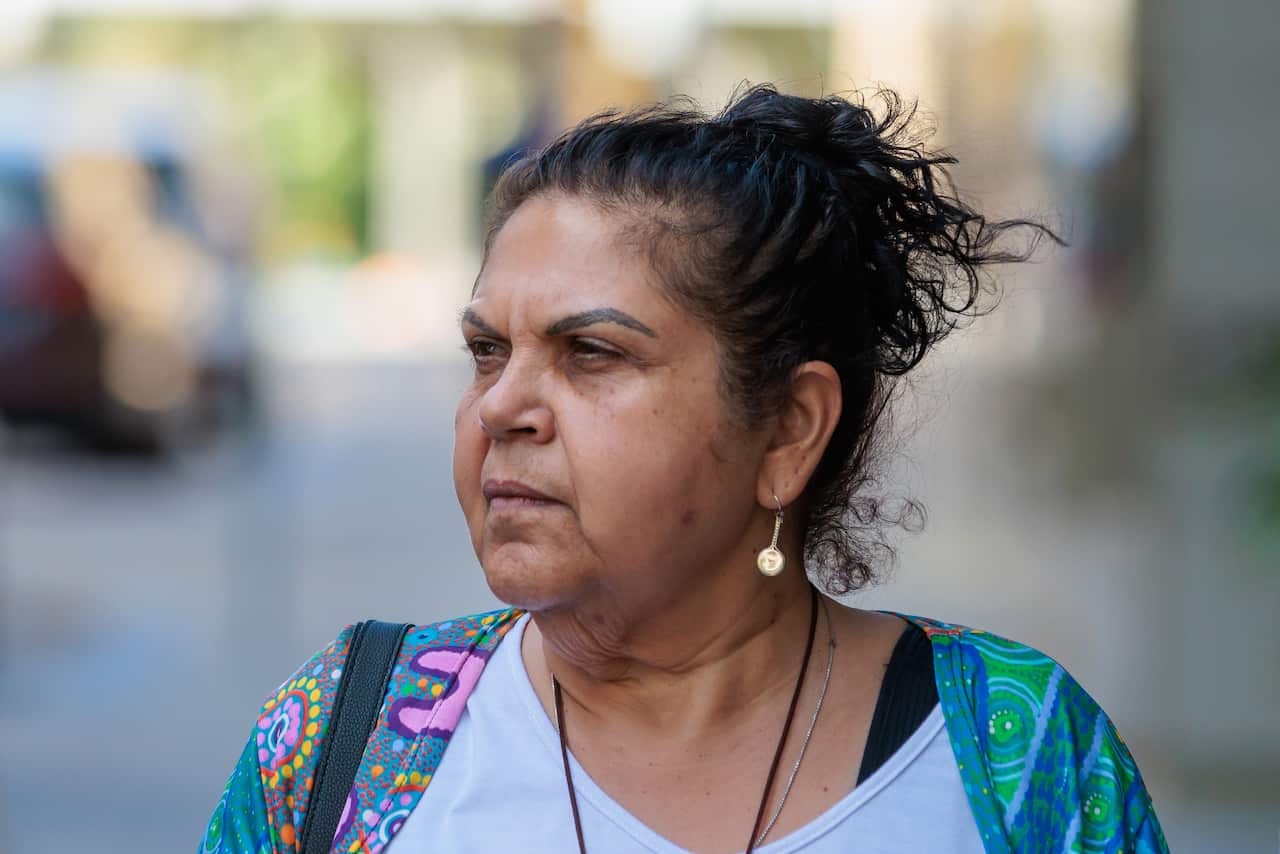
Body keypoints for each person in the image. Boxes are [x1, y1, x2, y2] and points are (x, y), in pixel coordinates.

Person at [200, 85, 1168, 853]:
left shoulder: (1014, 761)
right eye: (487, 351)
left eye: (590, 353)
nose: (498, 408)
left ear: (787, 430)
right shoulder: (347, 741)